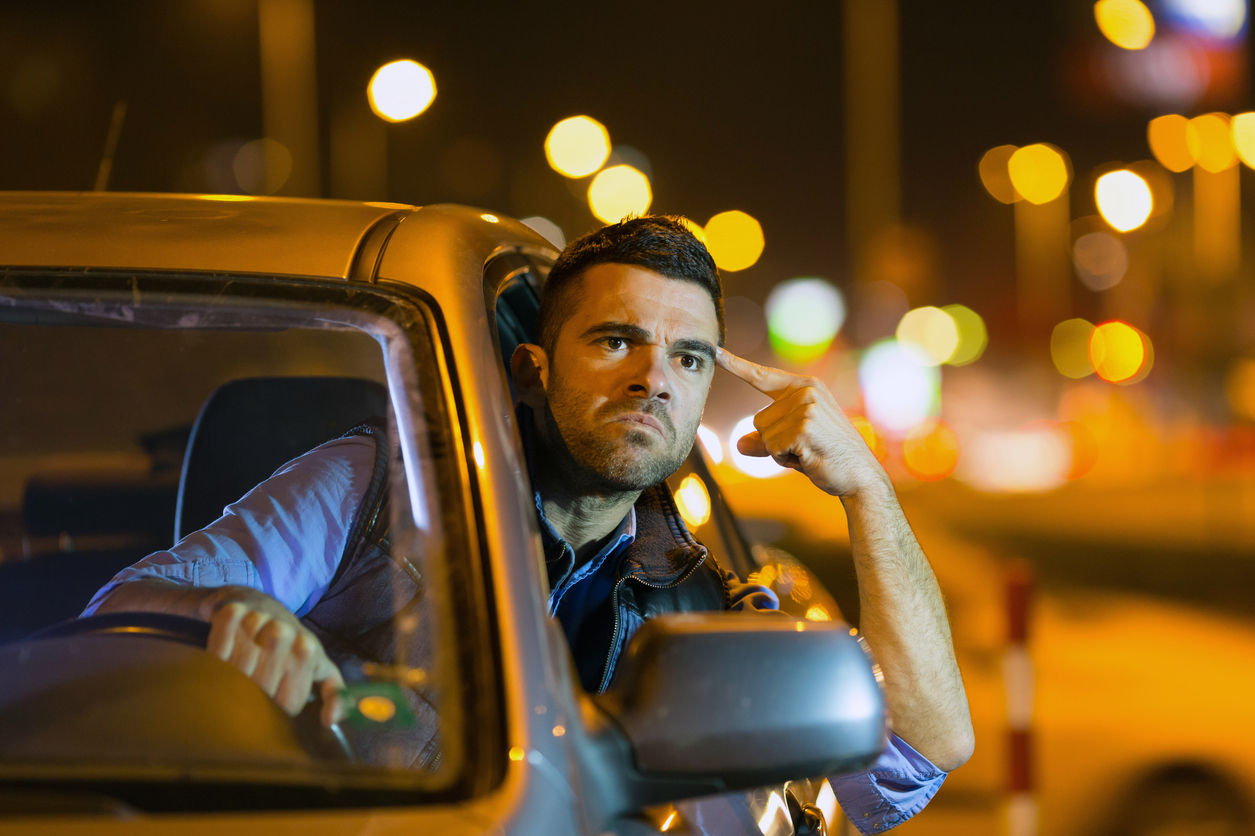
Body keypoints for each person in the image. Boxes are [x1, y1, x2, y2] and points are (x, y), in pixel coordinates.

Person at [84, 216, 973, 831]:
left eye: (688, 356)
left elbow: (910, 772)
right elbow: (129, 605)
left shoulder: (710, 592)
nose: (652, 379)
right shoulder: (374, 487)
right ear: (529, 370)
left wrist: (867, 490)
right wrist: (237, 618)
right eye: (615, 340)